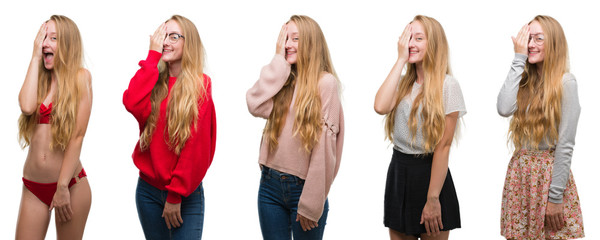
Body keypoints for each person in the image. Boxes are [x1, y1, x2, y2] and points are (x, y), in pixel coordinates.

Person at [246, 15, 344, 240]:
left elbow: (326, 149)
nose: (287, 44)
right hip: (269, 186)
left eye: (295, 39)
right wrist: (278, 63)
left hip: (304, 189)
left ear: (311, 42)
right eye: (285, 39)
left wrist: (311, 202)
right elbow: (254, 104)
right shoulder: (282, 78)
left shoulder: (325, 83)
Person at [123, 15, 216, 239]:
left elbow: (197, 148)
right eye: (163, 36)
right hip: (148, 192)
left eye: (174, 37)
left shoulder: (200, 85)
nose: (166, 42)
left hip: (185, 196)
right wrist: (152, 57)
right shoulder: (153, 80)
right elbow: (131, 102)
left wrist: (175, 195)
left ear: (189, 43)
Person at [374, 15, 465, 240]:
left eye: (419, 38)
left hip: (431, 174)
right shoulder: (404, 82)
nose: (411, 43)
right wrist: (400, 60)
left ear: (433, 43)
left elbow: (443, 146)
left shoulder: (448, 86)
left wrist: (433, 199)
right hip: (399, 171)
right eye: (408, 37)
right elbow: (380, 106)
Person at [497, 15, 584, 239]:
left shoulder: (566, 83)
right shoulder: (524, 80)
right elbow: (504, 108)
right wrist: (518, 59)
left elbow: (565, 144)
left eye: (539, 38)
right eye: (528, 38)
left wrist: (555, 197)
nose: (531, 44)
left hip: (549, 178)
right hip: (521, 176)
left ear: (553, 43)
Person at [16, 15, 92, 240]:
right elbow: (27, 107)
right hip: (33, 188)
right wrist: (34, 57)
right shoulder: (39, 78)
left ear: (68, 44)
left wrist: (61, 188)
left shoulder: (81, 77)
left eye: (54, 38)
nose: (46, 43)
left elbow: (77, 137)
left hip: (70, 186)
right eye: (43, 37)